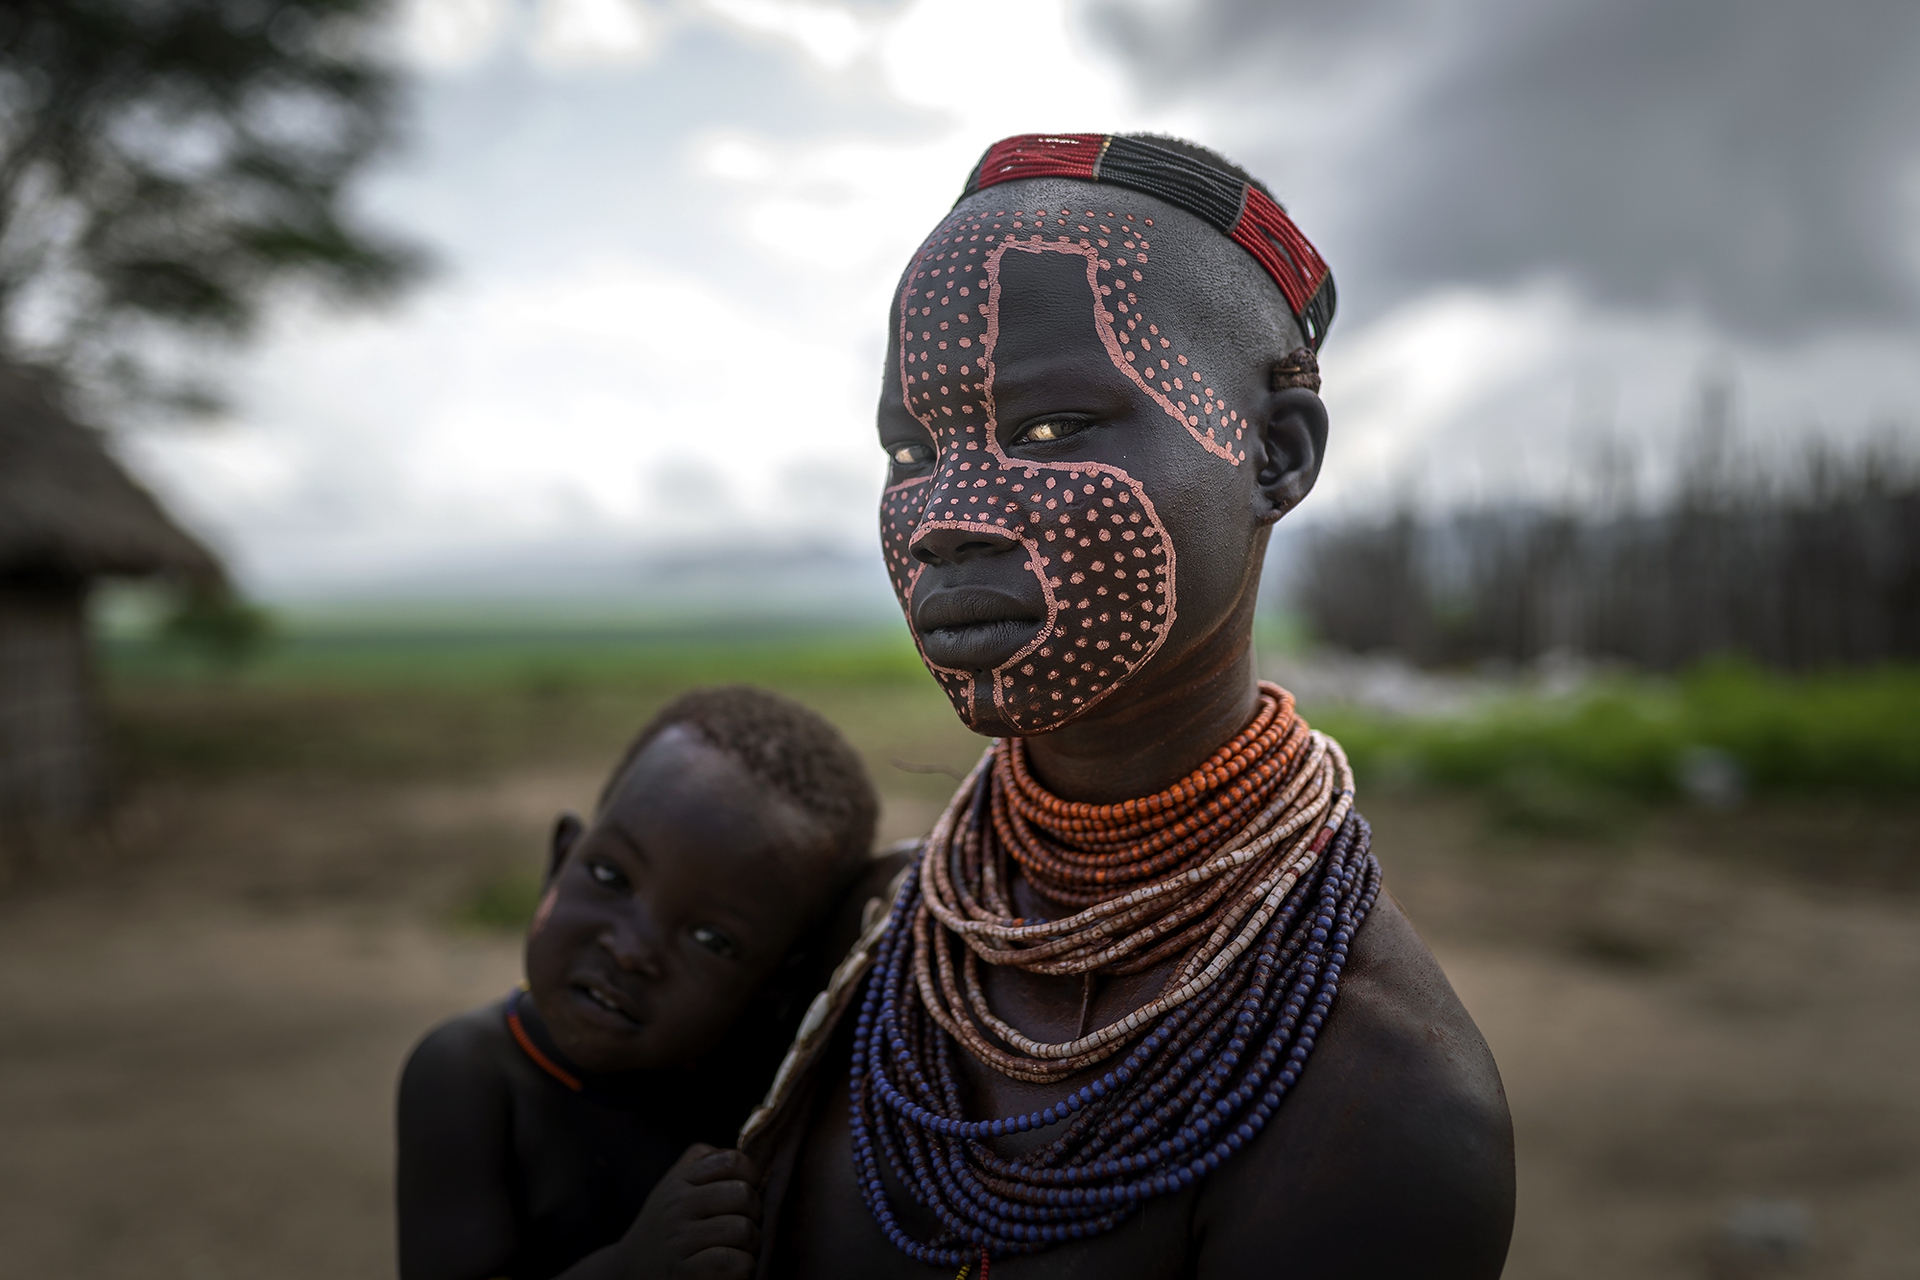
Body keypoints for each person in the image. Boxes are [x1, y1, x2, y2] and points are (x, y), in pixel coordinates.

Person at [742, 134, 1517, 1278]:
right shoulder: (853, 936)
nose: (945, 511)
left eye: (1053, 428)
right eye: (910, 447)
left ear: (1276, 455)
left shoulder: (1380, 1096)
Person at [395, 685, 889, 1280]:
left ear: (775, 987)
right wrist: (632, 1268)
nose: (630, 952)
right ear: (560, 859)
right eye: (609, 876)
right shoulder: (468, 1074)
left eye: (712, 940)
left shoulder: (756, 1075)